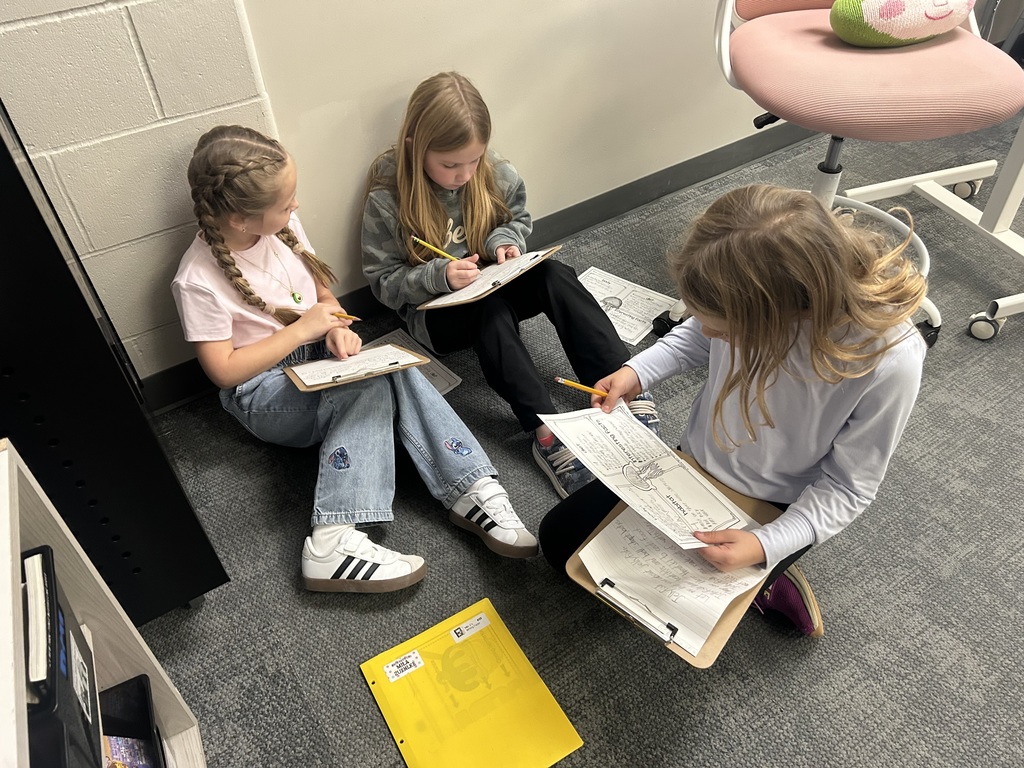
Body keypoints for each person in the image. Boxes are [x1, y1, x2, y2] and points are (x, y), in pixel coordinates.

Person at [538, 184, 929, 636]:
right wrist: (637, 371)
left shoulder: (889, 359)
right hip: (692, 465)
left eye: (724, 328)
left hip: (777, 505)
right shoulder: (746, 301)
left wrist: (765, 543)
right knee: (558, 545)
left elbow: (848, 489)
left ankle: (771, 577)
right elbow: (695, 337)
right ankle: (762, 571)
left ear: (778, 315)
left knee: (686, 611)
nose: (708, 330)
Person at [172, 125, 538, 595]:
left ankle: (471, 487)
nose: (296, 208)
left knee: (393, 365)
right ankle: (331, 541)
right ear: (241, 220)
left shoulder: (279, 225)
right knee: (367, 386)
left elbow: (322, 292)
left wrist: (338, 329)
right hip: (261, 389)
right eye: (286, 204)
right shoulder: (196, 279)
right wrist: (306, 329)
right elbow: (223, 371)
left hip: (315, 353)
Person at [360, 71, 660, 499]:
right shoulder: (388, 198)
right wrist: (438, 276)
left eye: (473, 161)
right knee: (489, 312)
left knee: (555, 274)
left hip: (490, 281)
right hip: (436, 316)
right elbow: (383, 284)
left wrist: (505, 243)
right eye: (449, 165)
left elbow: (515, 221)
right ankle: (545, 430)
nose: (464, 174)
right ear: (415, 147)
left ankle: (619, 381)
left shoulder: (494, 171)